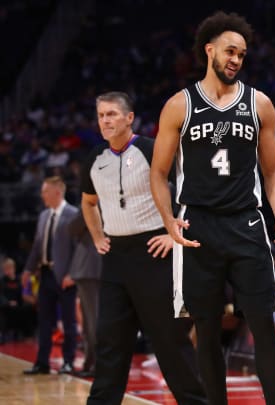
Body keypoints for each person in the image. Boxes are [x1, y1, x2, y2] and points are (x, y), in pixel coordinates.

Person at [150, 12, 275, 405]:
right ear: (210, 50)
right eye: (230, 52)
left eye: (243, 54)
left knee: (262, 324)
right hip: (197, 227)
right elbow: (158, 173)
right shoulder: (178, 106)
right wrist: (168, 220)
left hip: (247, 224)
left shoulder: (259, 104)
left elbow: (273, 172)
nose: (236, 59)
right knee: (207, 328)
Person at [82, 92, 206, 404]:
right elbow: (88, 201)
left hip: (154, 253)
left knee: (169, 340)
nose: (105, 121)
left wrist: (171, 231)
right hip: (115, 258)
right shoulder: (94, 159)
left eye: (112, 114)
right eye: (101, 115)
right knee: (110, 340)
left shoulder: (152, 149)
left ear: (129, 118)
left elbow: (194, 187)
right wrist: (98, 236)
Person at [21, 176, 78, 375]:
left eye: (45, 191)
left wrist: (73, 273)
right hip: (45, 273)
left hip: (65, 276)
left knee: (69, 321)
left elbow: (79, 248)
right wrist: (28, 269)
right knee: (44, 320)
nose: (42, 195)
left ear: (57, 192)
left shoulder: (74, 214)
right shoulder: (44, 215)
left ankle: (68, 361)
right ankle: (42, 362)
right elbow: (37, 246)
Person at [67, 210, 102, 377]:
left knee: (92, 320)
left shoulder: (93, 202)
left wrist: (85, 206)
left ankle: (96, 364)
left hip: (90, 266)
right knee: (90, 320)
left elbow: (72, 229)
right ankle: (91, 362)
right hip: (96, 266)